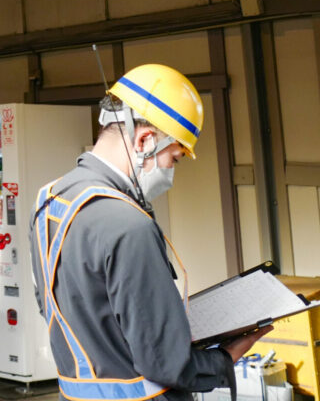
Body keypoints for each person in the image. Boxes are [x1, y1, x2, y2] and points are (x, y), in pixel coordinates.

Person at [30, 64, 269, 401]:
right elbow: (164, 364)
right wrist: (225, 357)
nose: (172, 172)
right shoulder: (130, 226)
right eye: (175, 158)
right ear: (145, 140)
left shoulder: (49, 201)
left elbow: (53, 305)